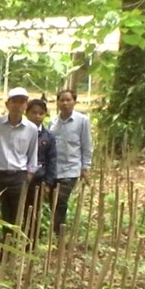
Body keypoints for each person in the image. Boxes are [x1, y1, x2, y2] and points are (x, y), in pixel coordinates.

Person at [0, 87, 39, 226]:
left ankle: (8, 245)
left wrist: (29, 174)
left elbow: (33, 152)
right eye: (14, 101)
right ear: (7, 104)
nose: (17, 105)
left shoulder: (31, 128)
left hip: (18, 176)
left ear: (26, 105)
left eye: (22, 102)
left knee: (14, 215)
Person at [49, 89, 92, 235]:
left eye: (68, 100)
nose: (65, 103)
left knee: (61, 199)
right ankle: (55, 231)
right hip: (54, 169)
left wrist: (85, 167)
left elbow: (87, 145)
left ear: (74, 102)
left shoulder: (82, 121)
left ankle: (59, 234)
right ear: (58, 103)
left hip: (71, 168)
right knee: (52, 202)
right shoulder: (53, 122)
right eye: (62, 100)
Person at [24, 98, 57, 238]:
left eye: (41, 113)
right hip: (20, 178)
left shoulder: (48, 136)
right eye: (33, 113)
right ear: (27, 113)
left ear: (45, 115)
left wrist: (48, 183)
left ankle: (32, 241)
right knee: (18, 210)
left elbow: (52, 160)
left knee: (34, 211)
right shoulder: (20, 131)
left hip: (38, 180)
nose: (37, 116)